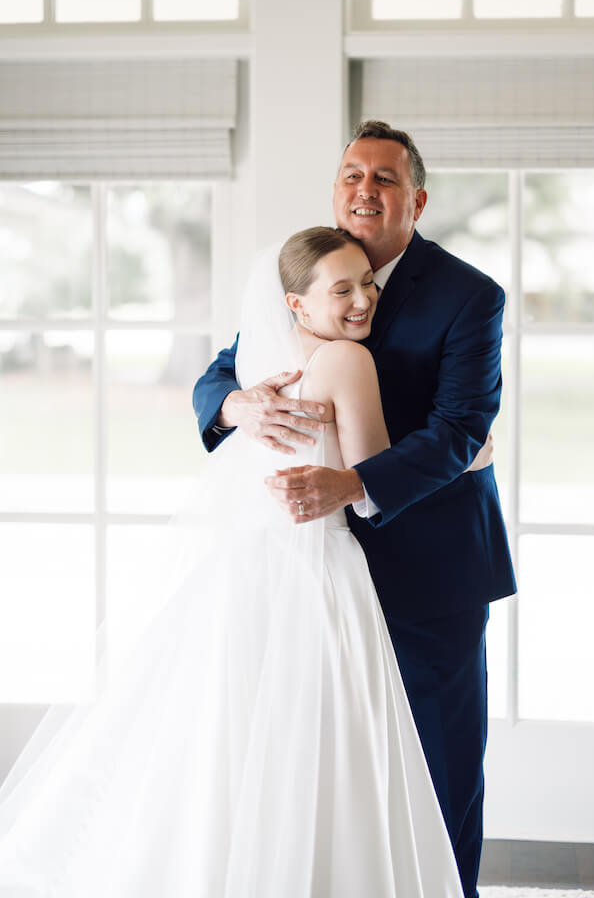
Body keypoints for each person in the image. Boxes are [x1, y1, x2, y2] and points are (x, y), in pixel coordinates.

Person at [0, 227, 464, 896]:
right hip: (315, 570)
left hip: (244, 571)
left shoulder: (259, 362)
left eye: (368, 283)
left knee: (227, 744)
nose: (365, 299)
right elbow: (368, 488)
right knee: (320, 747)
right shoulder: (346, 363)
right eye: (343, 289)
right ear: (295, 304)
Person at [193, 120, 517, 898]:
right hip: (314, 567)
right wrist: (237, 406)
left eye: (382, 178)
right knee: (323, 763)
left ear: (416, 199)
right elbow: (220, 370)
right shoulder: (306, 266)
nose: (362, 190)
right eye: (349, 175)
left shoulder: (469, 296)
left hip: (431, 562)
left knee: (439, 757)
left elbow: (460, 426)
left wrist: (356, 485)